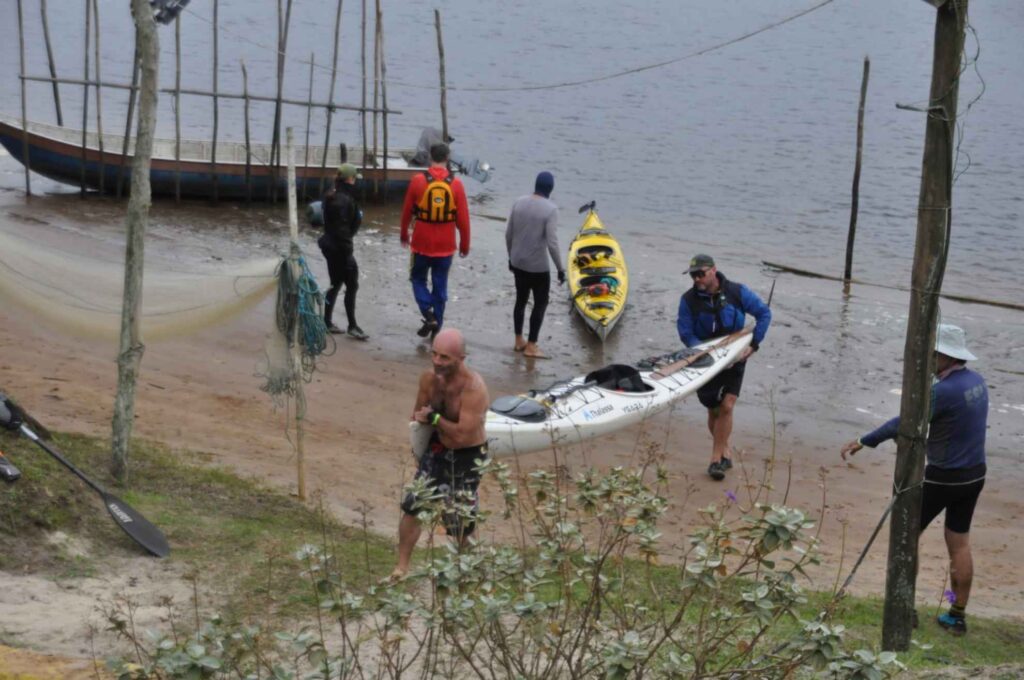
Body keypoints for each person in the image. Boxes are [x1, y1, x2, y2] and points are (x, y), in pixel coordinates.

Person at [840, 324, 988, 636]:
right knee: (959, 542)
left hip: (943, 476)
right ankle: (956, 614)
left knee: (907, 534)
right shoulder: (977, 382)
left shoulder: (941, 391)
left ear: (947, 356)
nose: (930, 359)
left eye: (933, 354)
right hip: (975, 474)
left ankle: (905, 607)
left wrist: (865, 440)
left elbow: (906, 420)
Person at [394, 328, 490, 578]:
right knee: (413, 506)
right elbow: (417, 419)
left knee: (458, 521)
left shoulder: (473, 388)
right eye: (434, 354)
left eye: (445, 357)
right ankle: (401, 567)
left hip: (468, 455)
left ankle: (470, 568)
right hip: (437, 448)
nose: (437, 361)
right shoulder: (428, 380)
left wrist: (434, 417)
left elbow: (462, 436)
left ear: (461, 358)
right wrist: (422, 436)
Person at [676, 254, 771, 481]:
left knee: (727, 405)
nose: (697, 278)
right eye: (693, 275)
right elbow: (685, 333)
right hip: (705, 360)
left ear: (713, 270)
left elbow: (764, 314)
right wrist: (705, 352)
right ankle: (726, 450)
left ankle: (715, 459)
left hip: (735, 356)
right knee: (714, 409)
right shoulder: (688, 300)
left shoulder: (737, 292)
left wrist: (754, 344)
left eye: (701, 273)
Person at [399, 143, 471, 339]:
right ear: (447, 159)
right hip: (446, 246)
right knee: (440, 285)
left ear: (431, 158)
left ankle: (428, 313)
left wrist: (404, 233)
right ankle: (437, 327)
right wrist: (465, 244)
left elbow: (406, 211)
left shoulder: (417, 181)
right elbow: (463, 219)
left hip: (421, 243)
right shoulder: (456, 184)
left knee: (417, 279)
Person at [505, 171, 565, 358]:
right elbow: (552, 243)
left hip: (518, 262)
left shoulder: (519, 202)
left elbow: (509, 233)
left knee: (520, 301)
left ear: (536, 184)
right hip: (538, 267)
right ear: (551, 188)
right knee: (540, 303)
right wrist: (560, 268)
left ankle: (518, 341)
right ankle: (531, 345)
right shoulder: (551, 210)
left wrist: (511, 257)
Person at [318, 163, 368, 340]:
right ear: (349, 179)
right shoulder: (343, 200)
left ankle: (326, 321)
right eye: (354, 178)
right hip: (340, 248)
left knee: (336, 284)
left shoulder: (332, 194)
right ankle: (352, 326)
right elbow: (342, 229)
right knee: (351, 285)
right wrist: (348, 252)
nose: (356, 182)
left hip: (330, 245)